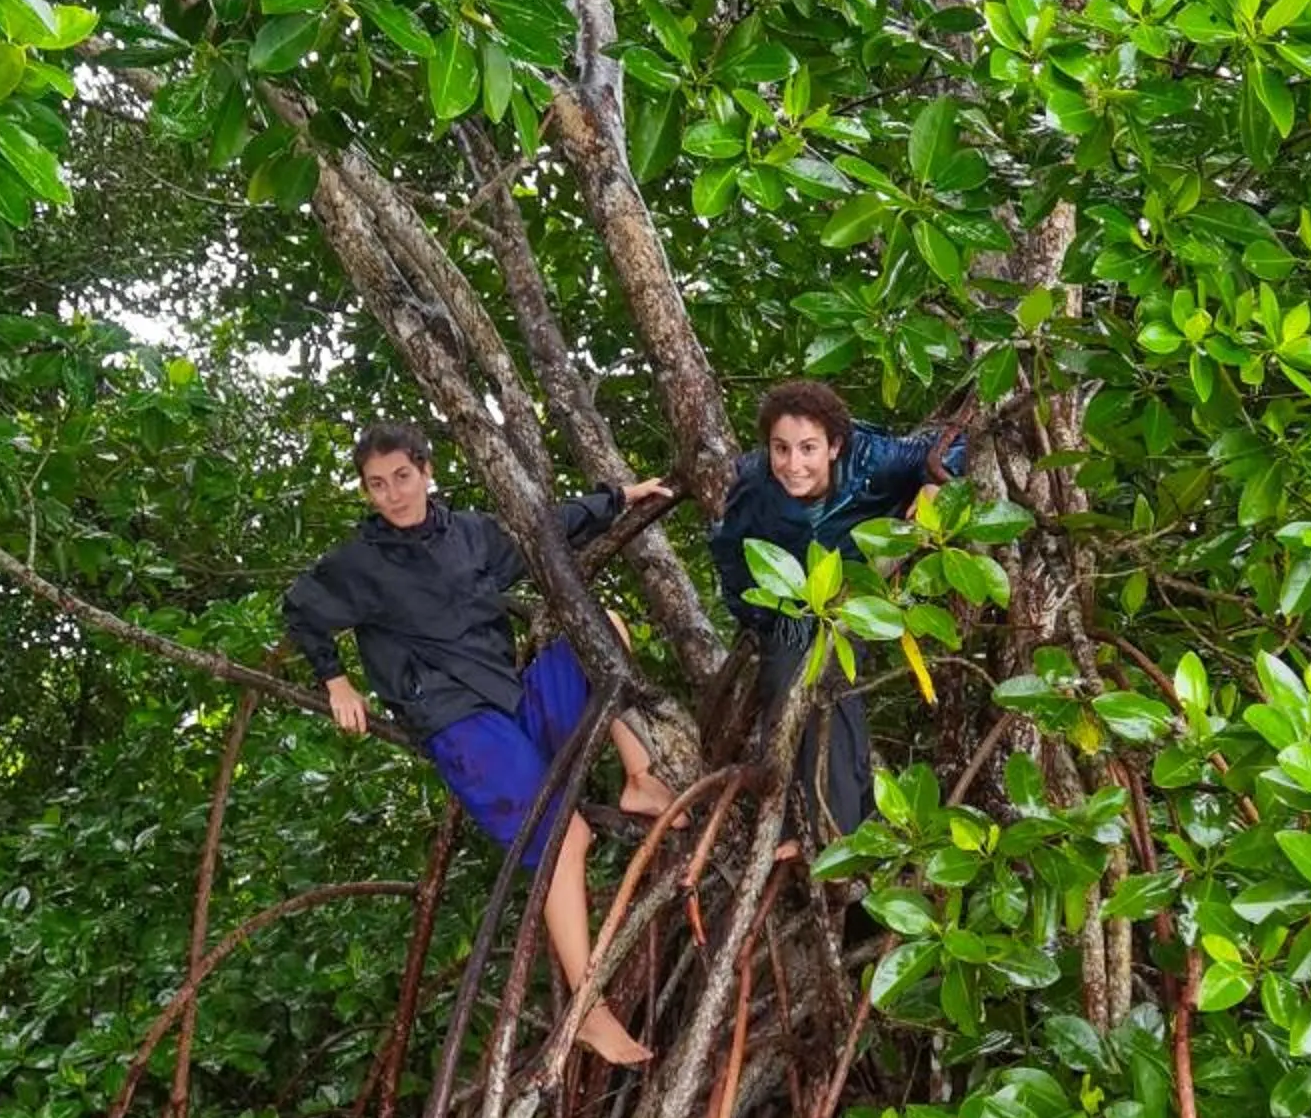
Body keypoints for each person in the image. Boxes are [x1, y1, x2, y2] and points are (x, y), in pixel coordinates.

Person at [285, 421, 673, 1066]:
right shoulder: (359, 562)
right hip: (456, 721)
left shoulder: (469, 534)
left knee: (604, 624)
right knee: (564, 838)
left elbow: (547, 528)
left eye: (401, 477)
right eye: (376, 485)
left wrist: (618, 498)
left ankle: (640, 776)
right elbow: (302, 610)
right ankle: (588, 1010)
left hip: (511, 702)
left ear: (426, 471)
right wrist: (336, 682)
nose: (392, 495)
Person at [708, 380, 963, 848]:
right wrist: (764, 618)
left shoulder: (871, 459)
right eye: (781, 449)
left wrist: (932, 484)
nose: (793, 464)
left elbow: (954, 444)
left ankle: (835, 841)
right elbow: (729, 553)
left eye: (808, 448)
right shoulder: (755, 482)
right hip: (794, 601)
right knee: (786, 693)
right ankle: (813, 832)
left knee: (829, 691)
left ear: (835, 446)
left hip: (857, 591)